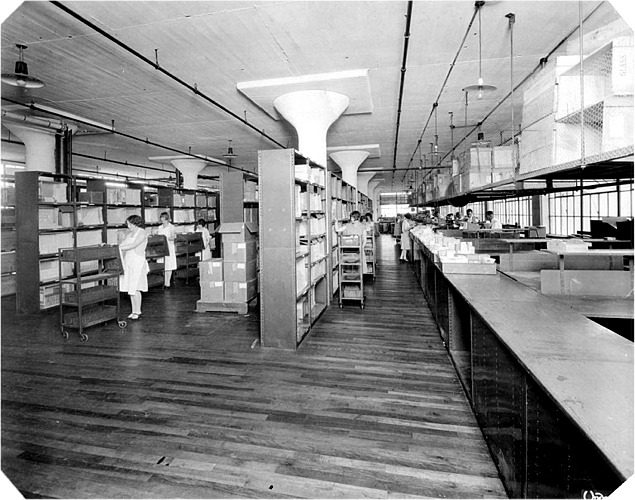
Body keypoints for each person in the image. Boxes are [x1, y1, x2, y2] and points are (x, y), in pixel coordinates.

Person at [119, 215, 149, 320]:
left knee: (136, 287)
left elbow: (134, 245)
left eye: (129, 224)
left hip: (138, 262)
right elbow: (123, 244)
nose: (128, 226)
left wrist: (119, 248)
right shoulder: (130, 234)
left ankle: (138, 311)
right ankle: (133, 310)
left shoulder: (142, 232)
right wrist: (115, 247)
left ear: (134, 223)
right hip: (129, 261)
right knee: (131, 288)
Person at [157, 211, 177, 287]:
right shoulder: (159, 227)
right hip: (162, 247)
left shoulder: (171, 227)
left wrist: (166, 238)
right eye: (161, 218)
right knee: (163, 264)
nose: (162, 220)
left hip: (169, 247)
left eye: (163, 218)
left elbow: (173, 237)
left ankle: (167, 282)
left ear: (166, 219)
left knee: (169, 265)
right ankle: (165, 281)